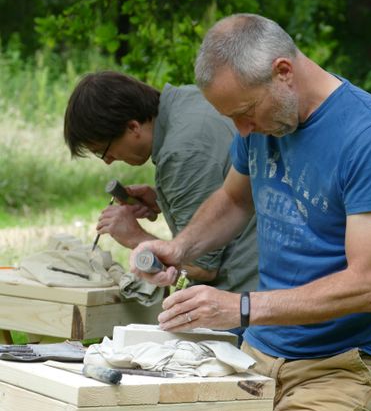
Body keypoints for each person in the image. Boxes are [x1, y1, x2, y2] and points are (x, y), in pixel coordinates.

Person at [130, 14, 371, 411]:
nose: (242, 129)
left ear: (283, 72)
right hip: (261, 352)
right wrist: (178, 247)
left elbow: (368, 285)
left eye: (246, 112)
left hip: (344, 365)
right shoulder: (260, 125)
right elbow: (236, 199)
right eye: (232, 118)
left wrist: (240, 307)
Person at [63, 71, 258, 303]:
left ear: (133, 127)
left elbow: (202, 267)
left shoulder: (182, 152)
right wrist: (162, 199)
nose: (108, 161)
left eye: (104, 151)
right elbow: (224, 186)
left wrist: (136, 238)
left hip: (247, 298)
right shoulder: (188, 100)